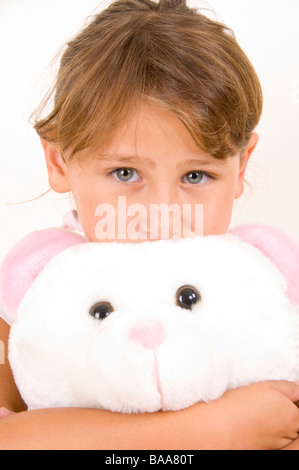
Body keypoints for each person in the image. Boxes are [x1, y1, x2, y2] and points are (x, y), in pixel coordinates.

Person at [1, 0, 299, 450]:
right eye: (125, 173)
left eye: (196, 176)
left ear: (240, 168)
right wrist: (211, 430)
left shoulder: (263, 296)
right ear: (59, 160)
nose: (164, 215)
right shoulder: (33, 300)